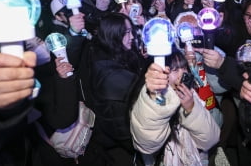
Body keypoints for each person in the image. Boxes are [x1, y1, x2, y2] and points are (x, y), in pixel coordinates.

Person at [130, 50, 220, 165]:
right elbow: (147, 144)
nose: (183, 74)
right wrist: (154, 99)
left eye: (184, 67)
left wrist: (191, 109)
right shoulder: (146, 103)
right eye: (175, 70)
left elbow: (211, 140)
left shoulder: (190, 95)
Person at [78, 12, 145, 165]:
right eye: (127, 32)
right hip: (121, 139)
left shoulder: (114, 53)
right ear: (114, 34)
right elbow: (118, 122)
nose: (132, 37)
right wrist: (137, 144)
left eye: (131, 31)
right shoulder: (110, 74)